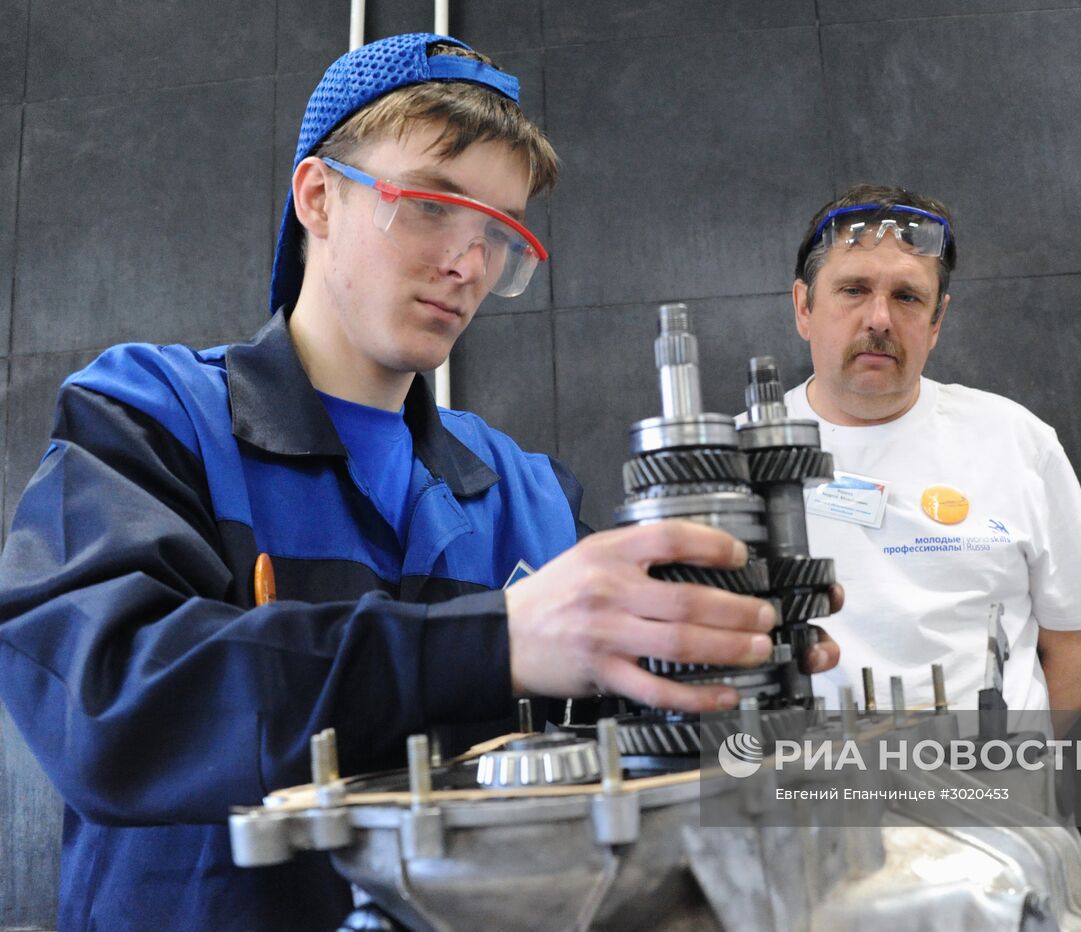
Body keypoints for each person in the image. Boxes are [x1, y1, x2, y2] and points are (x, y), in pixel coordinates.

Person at [0, 34, 836, 930]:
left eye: (499, 236)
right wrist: (497, 640)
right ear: (318, 197)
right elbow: (111, 705)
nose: (467, 266)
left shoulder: (528, 494)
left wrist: (698, 662)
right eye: (435, 207)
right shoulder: (152, 415)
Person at [783, 183, 1081, 722]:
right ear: (805, 307)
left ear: (936, 322)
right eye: (853, 290)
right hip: (809, 793)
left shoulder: (1013, 439)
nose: (879, 319)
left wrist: (1002, 765)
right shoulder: (734, 463)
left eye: (907, 297)